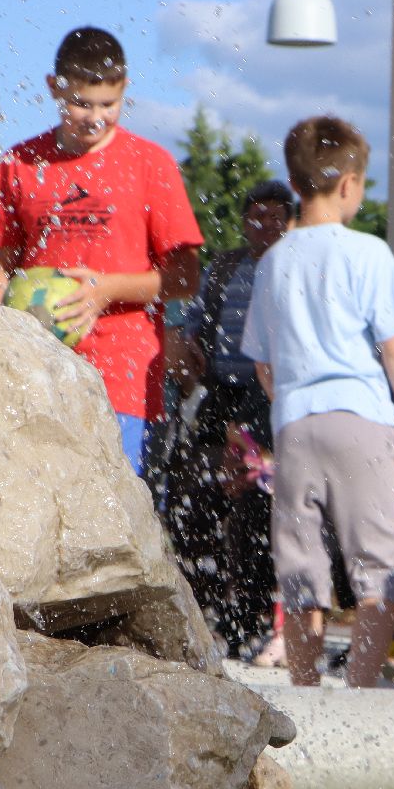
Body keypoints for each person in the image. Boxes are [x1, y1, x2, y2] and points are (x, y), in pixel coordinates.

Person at [240, 116, 394, 688]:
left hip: (295, 426)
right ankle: (363, 687)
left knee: (301, 566)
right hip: (363, 421)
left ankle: (304, 688)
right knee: (379, 566)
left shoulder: (273, 260)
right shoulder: (367, 253)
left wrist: (287, 403)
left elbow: (264, 366)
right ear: (348, 184)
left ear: (295, 185)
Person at [0, 26, 203, 475]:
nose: (96, 117)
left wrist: (106, 290)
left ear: (124, 91)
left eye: (109, 104)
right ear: (54, 88)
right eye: (82, 103)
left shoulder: (151, 164)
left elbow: (186, 277)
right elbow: (1, 264)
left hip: (122, 381)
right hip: (37, 376)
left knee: (117, 526)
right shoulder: (20, 162)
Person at [166, 180, 295, 664]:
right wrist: (184, 350)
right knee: (199, 490)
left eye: (276, 216)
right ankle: (206, 605)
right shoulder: (224, 267)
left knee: (260, 505)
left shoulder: (293, 267)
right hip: (222, 393)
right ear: (244, 222)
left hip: (272, 398)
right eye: (256, 216)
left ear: (290, 221)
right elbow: (190, 321)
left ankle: (254, 614)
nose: (265, 225)